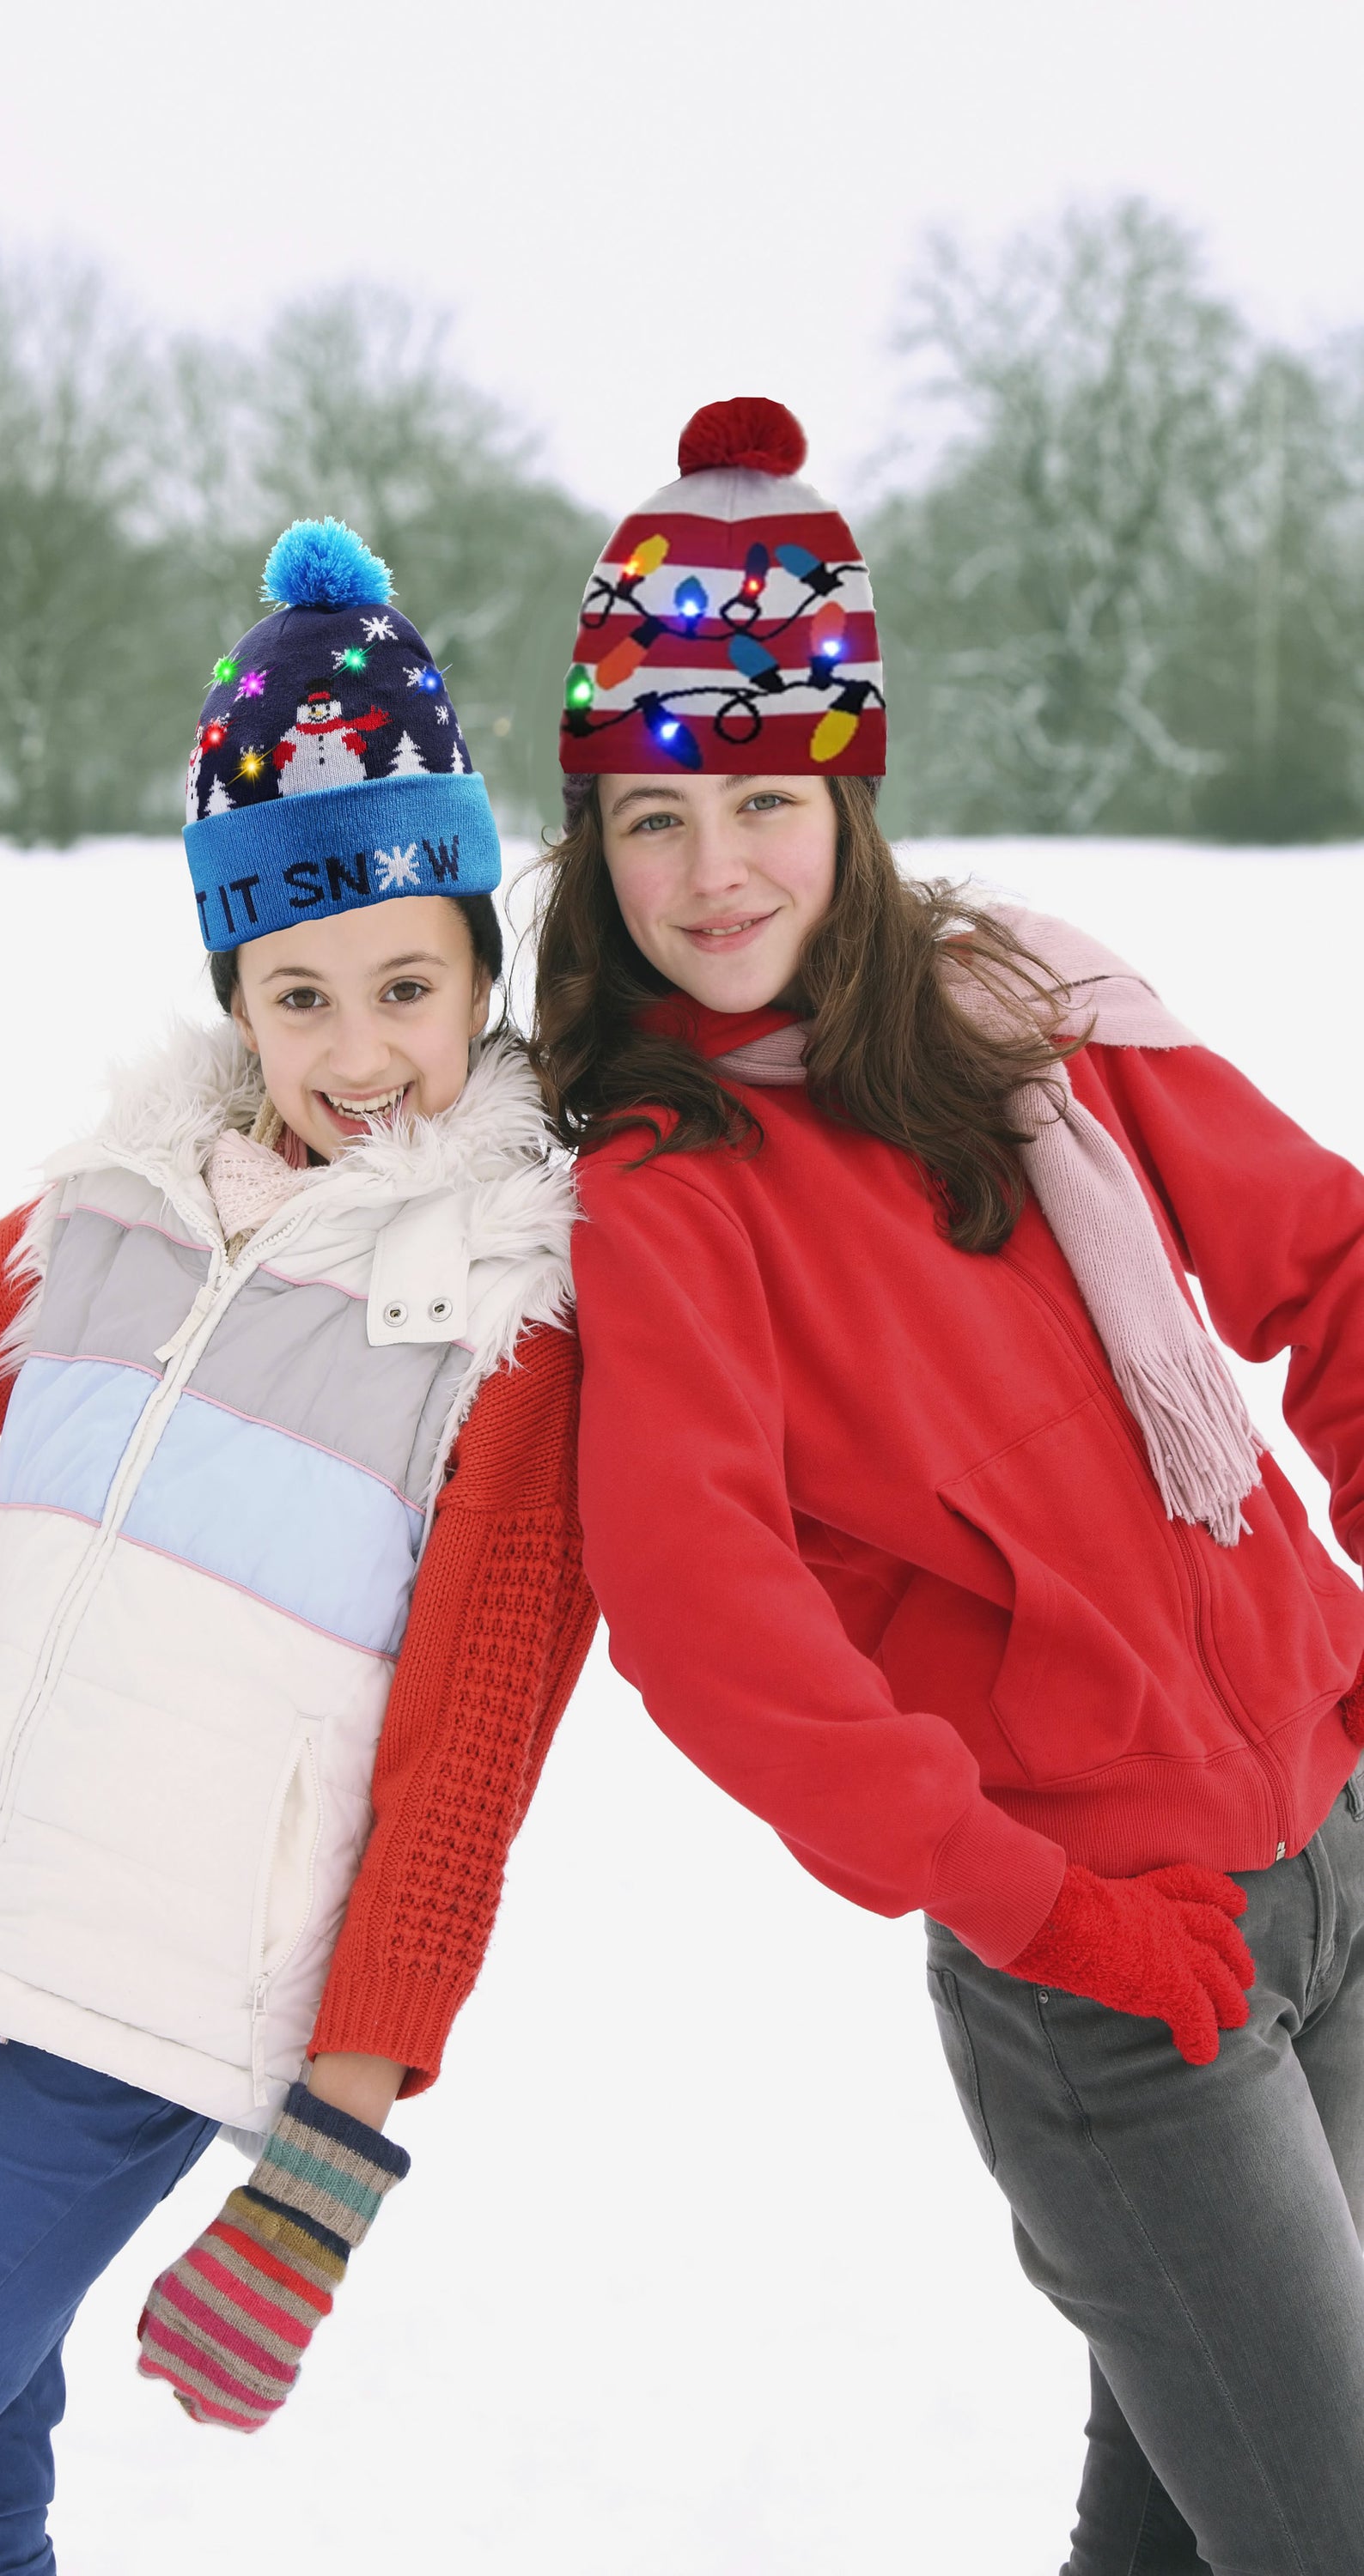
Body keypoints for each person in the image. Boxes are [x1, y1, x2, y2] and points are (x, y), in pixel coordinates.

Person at [531, 396, 1364, 2573]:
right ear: (594, 846)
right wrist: (1033, 1900)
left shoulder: (1032, 1018)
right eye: (650, 819)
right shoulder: (666, 1185)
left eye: (764, 801)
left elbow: (1335, 1264)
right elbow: (705, 1614)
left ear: (851, 794)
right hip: (1108, 1968)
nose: (713, 873)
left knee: (1192, 2527)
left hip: (1334, 1858)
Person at [0, 516, 594, 2569]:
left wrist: (332, 2151)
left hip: (144, 2023)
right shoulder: (106, 1222)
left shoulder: (511, 1332)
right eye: (295, 993)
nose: (359, 1053)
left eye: (407, 983)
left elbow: (462, 1769)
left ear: (483, 966)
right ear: (235, 992)